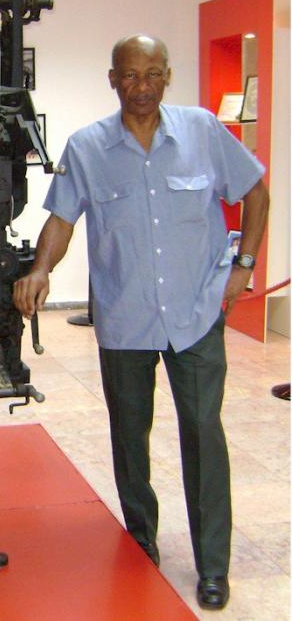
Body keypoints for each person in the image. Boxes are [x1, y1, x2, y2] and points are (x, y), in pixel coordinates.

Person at [13, 34, 269, 611]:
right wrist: (41, 269)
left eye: (153, 74)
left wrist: (244, 266)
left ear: (167, 77)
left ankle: (212, 565)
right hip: (125, 317)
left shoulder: (203, 131)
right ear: (113, 80)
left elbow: (256, 193)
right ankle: (141, 542)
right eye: (130, 75)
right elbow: (62, 218)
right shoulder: (87, 147)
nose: (142, 87)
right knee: (130, 438)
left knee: (203, 434)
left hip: (195, 314)